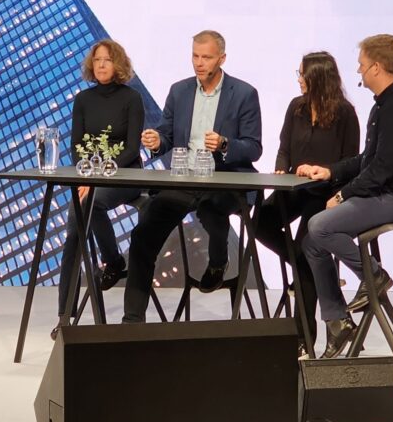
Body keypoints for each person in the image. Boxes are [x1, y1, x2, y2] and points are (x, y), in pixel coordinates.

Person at [297, 34, 393, 359]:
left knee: (320, 225)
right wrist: (329, 172)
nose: (358, 72)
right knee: (311, 242)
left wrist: (342, 196)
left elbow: (381, 170)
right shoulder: (386, 104)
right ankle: (337, 321)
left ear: (376, 67)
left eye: (361, 65)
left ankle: (373, 274)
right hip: (383, 192)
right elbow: (366, 161)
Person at [122, 30, 262, 323]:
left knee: (212, 210)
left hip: (225, 178)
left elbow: (254, 147)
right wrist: (157, 141)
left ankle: (219, 262)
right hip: (186, 178)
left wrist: (225, 144)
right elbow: (168, 133)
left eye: (206, 57)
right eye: (195, 56)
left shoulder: (245, 93)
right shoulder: (179, 90)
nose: (199, 63)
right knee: (143, 234)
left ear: (221, 58)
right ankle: (132, 320)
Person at [254, 52, 359, 356]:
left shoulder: (345, 113)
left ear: (318, 78)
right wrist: (280, 168)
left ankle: (304, 338)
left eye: (302, 74)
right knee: (261, 222)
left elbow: (350, 162)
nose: (298, 79)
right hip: (295, 187)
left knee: (307, 248)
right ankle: (306, 265)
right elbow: (284, 148)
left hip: (325, 193)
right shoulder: (296, 107)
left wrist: (325, 179)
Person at [53, 39, 146, 339]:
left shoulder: (132, 98)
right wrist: (86, 176)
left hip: (126, 176)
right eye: (97, 60)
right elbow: (77, 146)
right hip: (90, 179)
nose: (102, 64)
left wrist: (99, 176)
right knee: (72, 235)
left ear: (118, 64)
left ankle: (114, 261)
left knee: (93, 203)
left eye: (107, 59)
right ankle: (64, 318)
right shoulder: (83, 99)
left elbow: (132, 148)